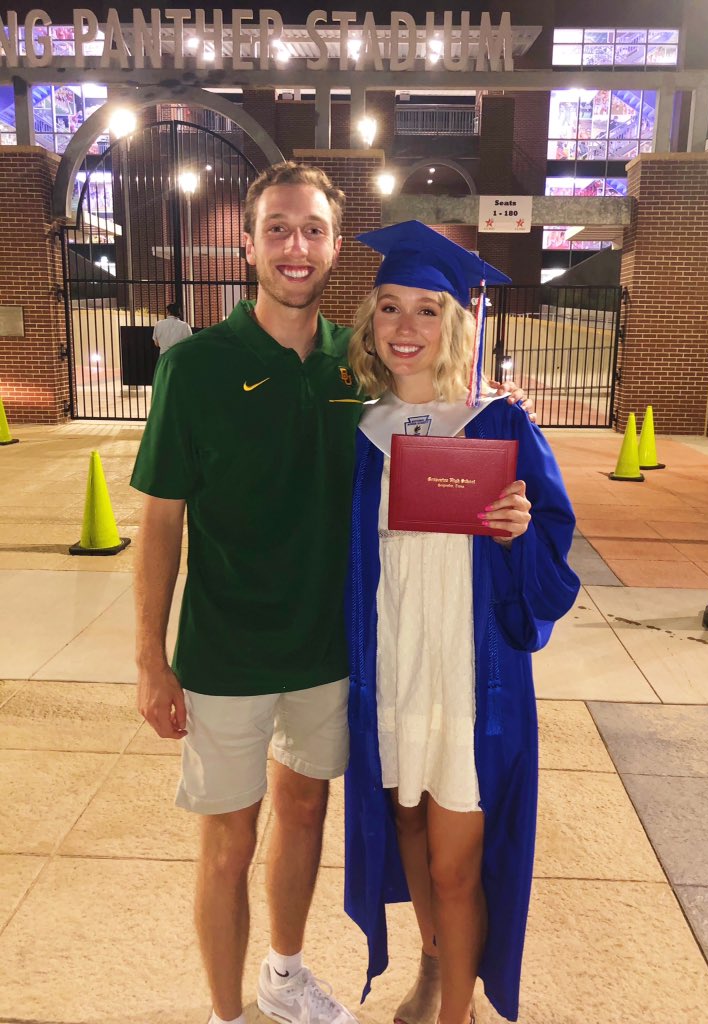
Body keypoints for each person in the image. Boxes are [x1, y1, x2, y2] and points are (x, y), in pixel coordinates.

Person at [131, 163, 532, 1024]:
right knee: (228, 845)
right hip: (225, 650)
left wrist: (509, 454)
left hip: (333, 653)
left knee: (307, 810)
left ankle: (283, 975)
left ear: (335, 245)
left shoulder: (360, 377)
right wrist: (149, 660)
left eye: (311, 229)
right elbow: (161, 523)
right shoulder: (196, 369)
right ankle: (226, 1014)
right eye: (276, 228)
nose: (295, 246)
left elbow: (446, 410)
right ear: (247, 243)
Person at [344, 222, 580, 1024]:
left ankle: (457, 1014)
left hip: (469, 673)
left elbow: (552, 561)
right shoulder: (361, 435)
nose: (406, 328)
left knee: (456, 865)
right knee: (405, 818)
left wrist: (519, 533)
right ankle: (435, 965)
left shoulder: (500, 426)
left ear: (455, 322)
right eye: (389, 308)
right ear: (370, 325)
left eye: (426, 310)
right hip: (393, 661)